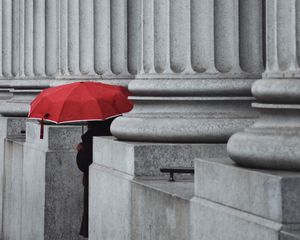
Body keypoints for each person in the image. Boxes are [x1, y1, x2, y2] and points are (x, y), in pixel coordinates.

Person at [76, 119, 114, 238]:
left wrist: (80, 151)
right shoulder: (110, 134)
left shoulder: (90, 137)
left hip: (93, 183)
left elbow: (84, 164)